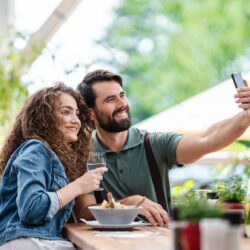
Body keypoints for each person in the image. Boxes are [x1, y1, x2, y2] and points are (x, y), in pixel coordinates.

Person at [76, 69, 250, 227]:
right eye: (110, 99)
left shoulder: (154, 144)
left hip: (158, 243)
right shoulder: (84, 154)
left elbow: (207, 139)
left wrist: (245, 117)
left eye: (122, 95)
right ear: (91, 113)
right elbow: (85, 212)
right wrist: (129, 203)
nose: (122, 104)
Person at [0, 83, 107, 249]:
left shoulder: (50, 155)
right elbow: (32, 209)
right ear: (45, 117)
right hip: (27, 242)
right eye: (66, 112)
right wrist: (79, 186)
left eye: (77, 114)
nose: (76, 121)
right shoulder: (35, 149)